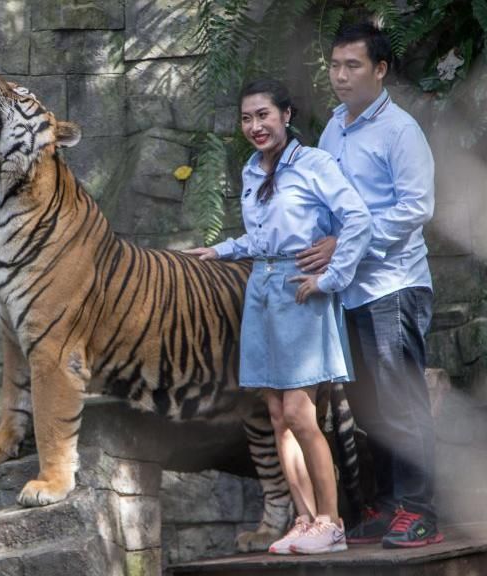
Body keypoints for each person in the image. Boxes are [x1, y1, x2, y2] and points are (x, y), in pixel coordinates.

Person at [186, 79, 371, 555]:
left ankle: (331, 523)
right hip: (261, 289)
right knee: (276, 416)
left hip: (300, 289)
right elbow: (262, 238)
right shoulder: (252, 169)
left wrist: (331, 279)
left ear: (286, 115)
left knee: (299, 413)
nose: (255, 126)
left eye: (263, 115)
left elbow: (358, 220)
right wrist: (222, 249)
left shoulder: (314, 164)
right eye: (247, 118)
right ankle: (304, 521)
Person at [297, 22, 441, 549]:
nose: (340, 76)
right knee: (369, 408)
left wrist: (348, 242)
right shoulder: (335, 128)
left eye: (352, 66)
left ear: (380, 70)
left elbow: (416, 208)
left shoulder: (400, 131)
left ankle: (420, 511)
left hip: (392, 285)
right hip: (348, 289)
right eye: (335, 65)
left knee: (401, 402)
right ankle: (388, 505)